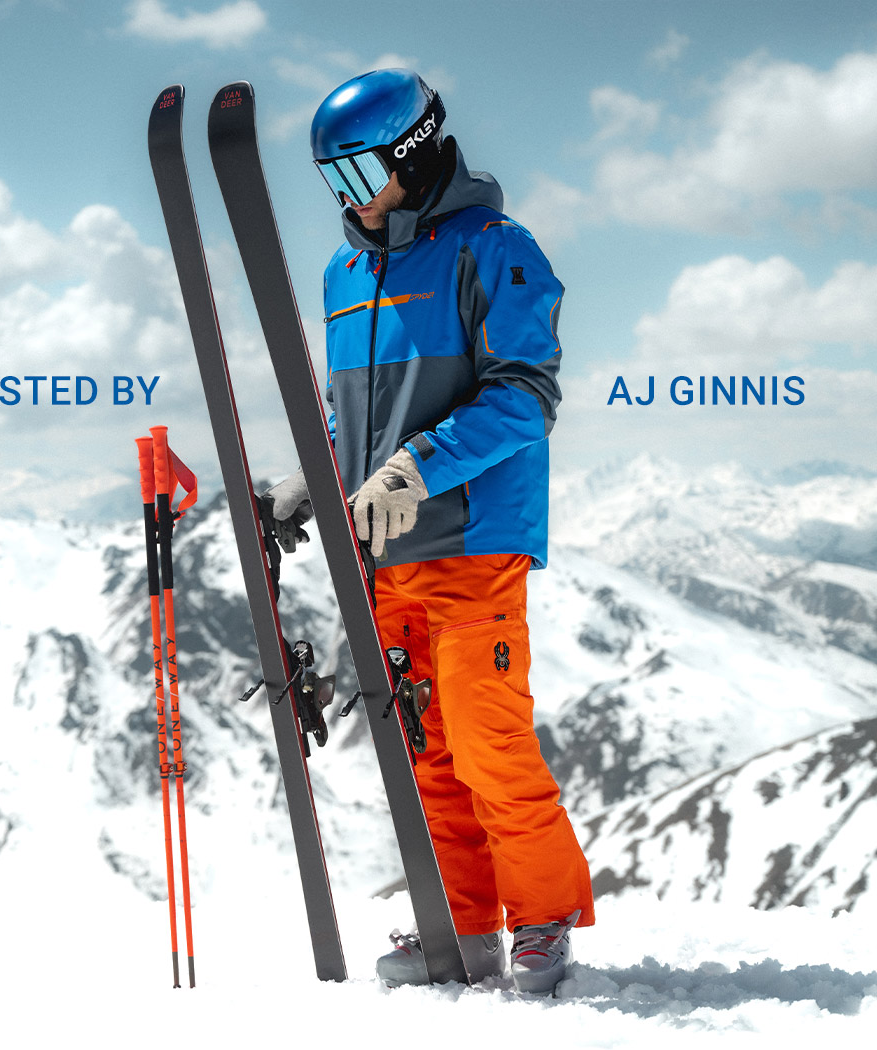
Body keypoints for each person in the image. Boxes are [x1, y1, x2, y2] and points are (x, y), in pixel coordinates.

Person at [266, 69, 594, 995]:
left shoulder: (495, 249)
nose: (349, 198)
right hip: (384, 555)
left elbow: (525, 398)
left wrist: (418, 469)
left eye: (361, 171)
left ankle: (539, 920)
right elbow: (356, 422)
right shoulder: (345, 273)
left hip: (472, 541)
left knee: (489, 745)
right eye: (331, 180)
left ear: (414, 150)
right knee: (425, 759)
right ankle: (463, 925)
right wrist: (316, 481)